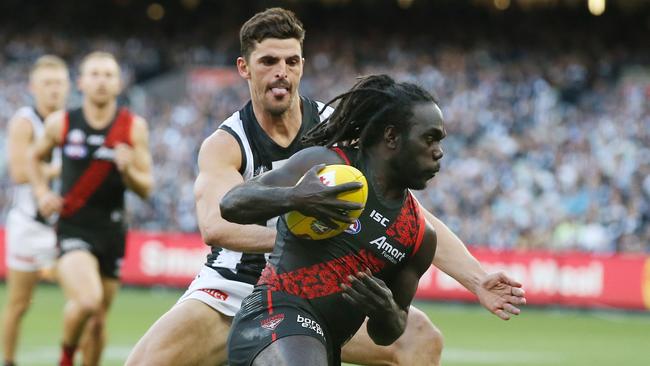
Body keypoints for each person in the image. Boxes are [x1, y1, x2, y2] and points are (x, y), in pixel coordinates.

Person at [126, 8, 525, 366]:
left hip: (321, 286)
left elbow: (407, 214)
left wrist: (477, 279)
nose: (281, 71)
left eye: (292, 61)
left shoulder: (338, 130)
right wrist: (312, 225)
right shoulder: (227, 143)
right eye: (268, 61)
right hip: (231, 289)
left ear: (302, 66)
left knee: (421, 340)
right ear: (244, 68)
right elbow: (216, 226)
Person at [224, 74, 444, 365]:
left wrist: (387, 310)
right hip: (272, 317)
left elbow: (386, 333)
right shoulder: (327, 167)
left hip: (323, 346)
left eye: (440, 141)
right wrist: (296, 197)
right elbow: (231, 204)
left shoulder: (418, 235)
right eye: (429, 138)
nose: (439, 152)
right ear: (392, 137)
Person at [28, 51, 153, 366]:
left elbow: (146, 187)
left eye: (108, 75)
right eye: (94, 74)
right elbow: (34, 157)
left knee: (98, 322)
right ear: (81, 83)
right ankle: (66, 358)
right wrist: (42, 192)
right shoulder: (63, 122)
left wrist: (128, 170)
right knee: (87, 301)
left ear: (118, 83)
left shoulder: (133, 127)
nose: (101, 81)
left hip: (112, 233)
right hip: (73, 228)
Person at [2, 55, 70, 366]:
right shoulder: (25, 121)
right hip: (29, 226)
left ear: (68, 86)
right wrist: (62, 169)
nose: (53, 90)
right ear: (33, 87)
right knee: (18, 304)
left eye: (58, 83)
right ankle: (9, 360)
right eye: (47, 83)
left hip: (67, 226)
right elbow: (18, 173)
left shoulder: (75, 119)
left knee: (84, 302)